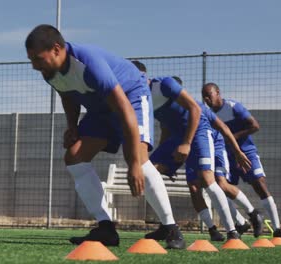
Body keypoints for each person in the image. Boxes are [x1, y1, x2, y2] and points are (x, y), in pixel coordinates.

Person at [25, 24, 185, 249]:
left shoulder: (89, 64)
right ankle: (106, 228)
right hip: (101, 108)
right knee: (74, 157)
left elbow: (125, 111)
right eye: (31, 60)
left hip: (131, 98)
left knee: (139, 158)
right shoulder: (49, 73)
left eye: (38, 59)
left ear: (57, 49)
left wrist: (133, 165)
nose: (34, 66)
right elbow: (67, 95)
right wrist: (72, 126)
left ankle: (171, 228)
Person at [131, 61, 245, 241]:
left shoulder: (164, 84)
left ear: (144, 76)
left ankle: (233, 232)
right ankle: (166, 225)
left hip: (198, 132)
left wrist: (187, 143)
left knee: (208, 180)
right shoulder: (141, 97)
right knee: (149, 170)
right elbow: (166, 128)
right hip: (177, 137)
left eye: (133, 76)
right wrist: (165, 159)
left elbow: (195, 110)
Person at [202, 82, 281, 237]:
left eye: (209, 95)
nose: (207, 99)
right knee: (222, 189)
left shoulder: (233, 107)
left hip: (246, 154)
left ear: (218, 92)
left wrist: (233, 137)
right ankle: (242, 223)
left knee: (260, 185)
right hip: (226, 157)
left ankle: (278, 229)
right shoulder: (207, 114)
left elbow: (255, 126)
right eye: (204, 96)